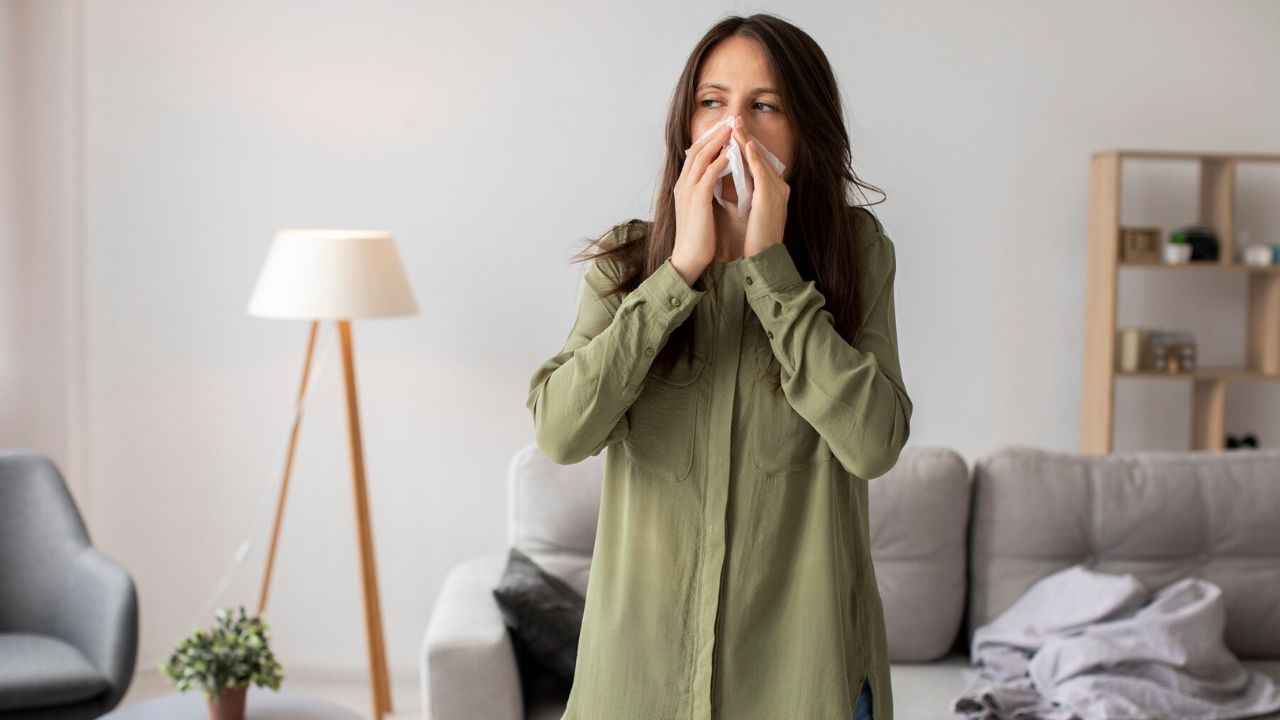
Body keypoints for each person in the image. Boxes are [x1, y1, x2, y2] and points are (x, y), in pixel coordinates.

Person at [526, 13, 911, 720]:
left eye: (764, 106)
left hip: (802, 686)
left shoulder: (856, 254)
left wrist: (772, 271)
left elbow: (874, 442)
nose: (735, 126)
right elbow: (560, 432)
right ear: (685, 125)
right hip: (639, 687)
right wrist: (678, 274)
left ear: (806, 130)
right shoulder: (625, 264)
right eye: (714, 102)